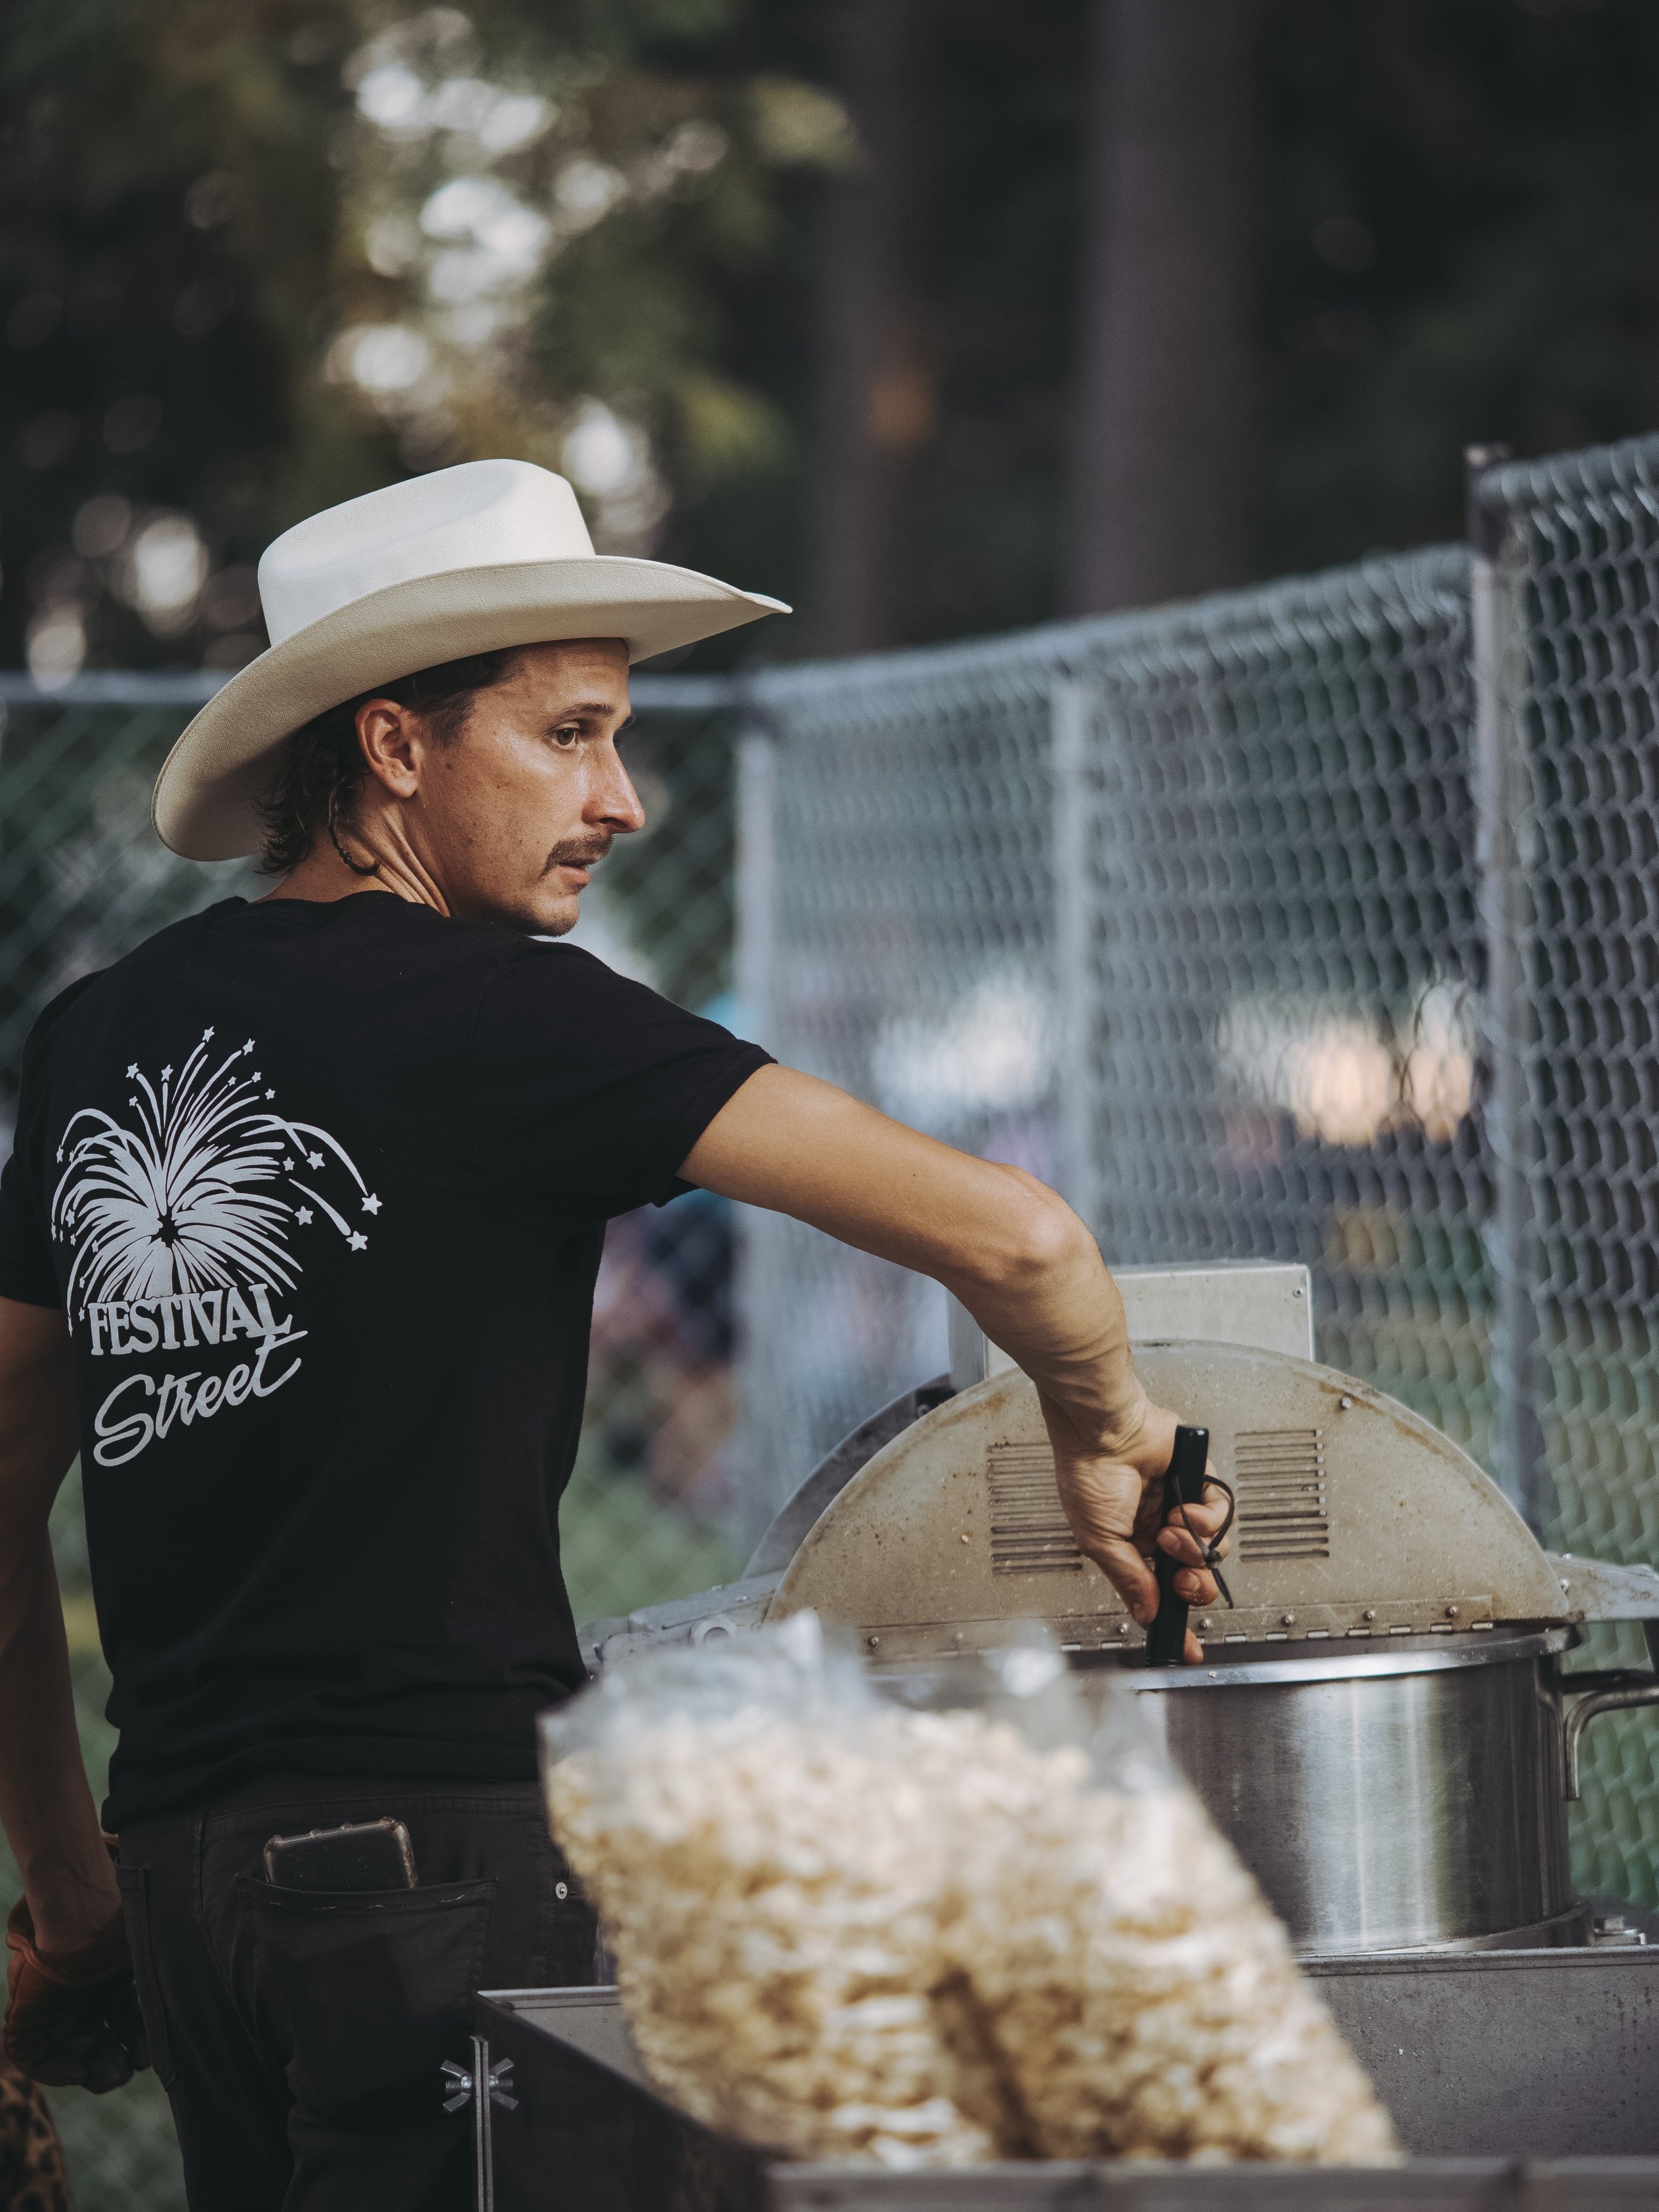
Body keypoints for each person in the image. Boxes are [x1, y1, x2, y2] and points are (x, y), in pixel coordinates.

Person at [0, 461, 1228, 2210]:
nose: (623, 799)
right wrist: (1108, 1427)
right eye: (570, 733)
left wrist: (73, 1883)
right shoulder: (506, 1016)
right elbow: (1015, 1234)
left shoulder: (95, 1033)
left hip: (190, 1876)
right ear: (394, 750)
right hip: (432, 1861)